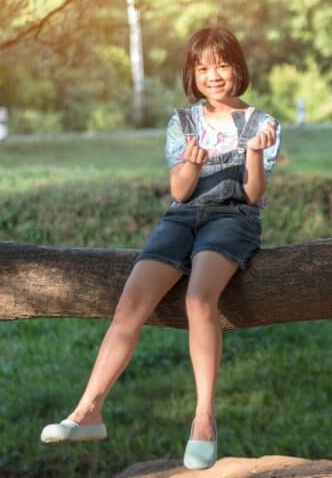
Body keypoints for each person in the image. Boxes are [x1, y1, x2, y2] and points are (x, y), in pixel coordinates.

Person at [40, 28, 281, 471]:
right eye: (203, 67)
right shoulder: (183, 122)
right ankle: (88, 410)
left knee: (198, 298)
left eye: (222, 65)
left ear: (238, 68)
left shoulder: (262, 123)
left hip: (232, 218)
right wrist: (191, 163)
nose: (214, 76)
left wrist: (251, 153)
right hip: (182, 217)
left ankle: (203, 420)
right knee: (131, 303)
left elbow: (251, 194)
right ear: (192, 73)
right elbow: (179, 191)